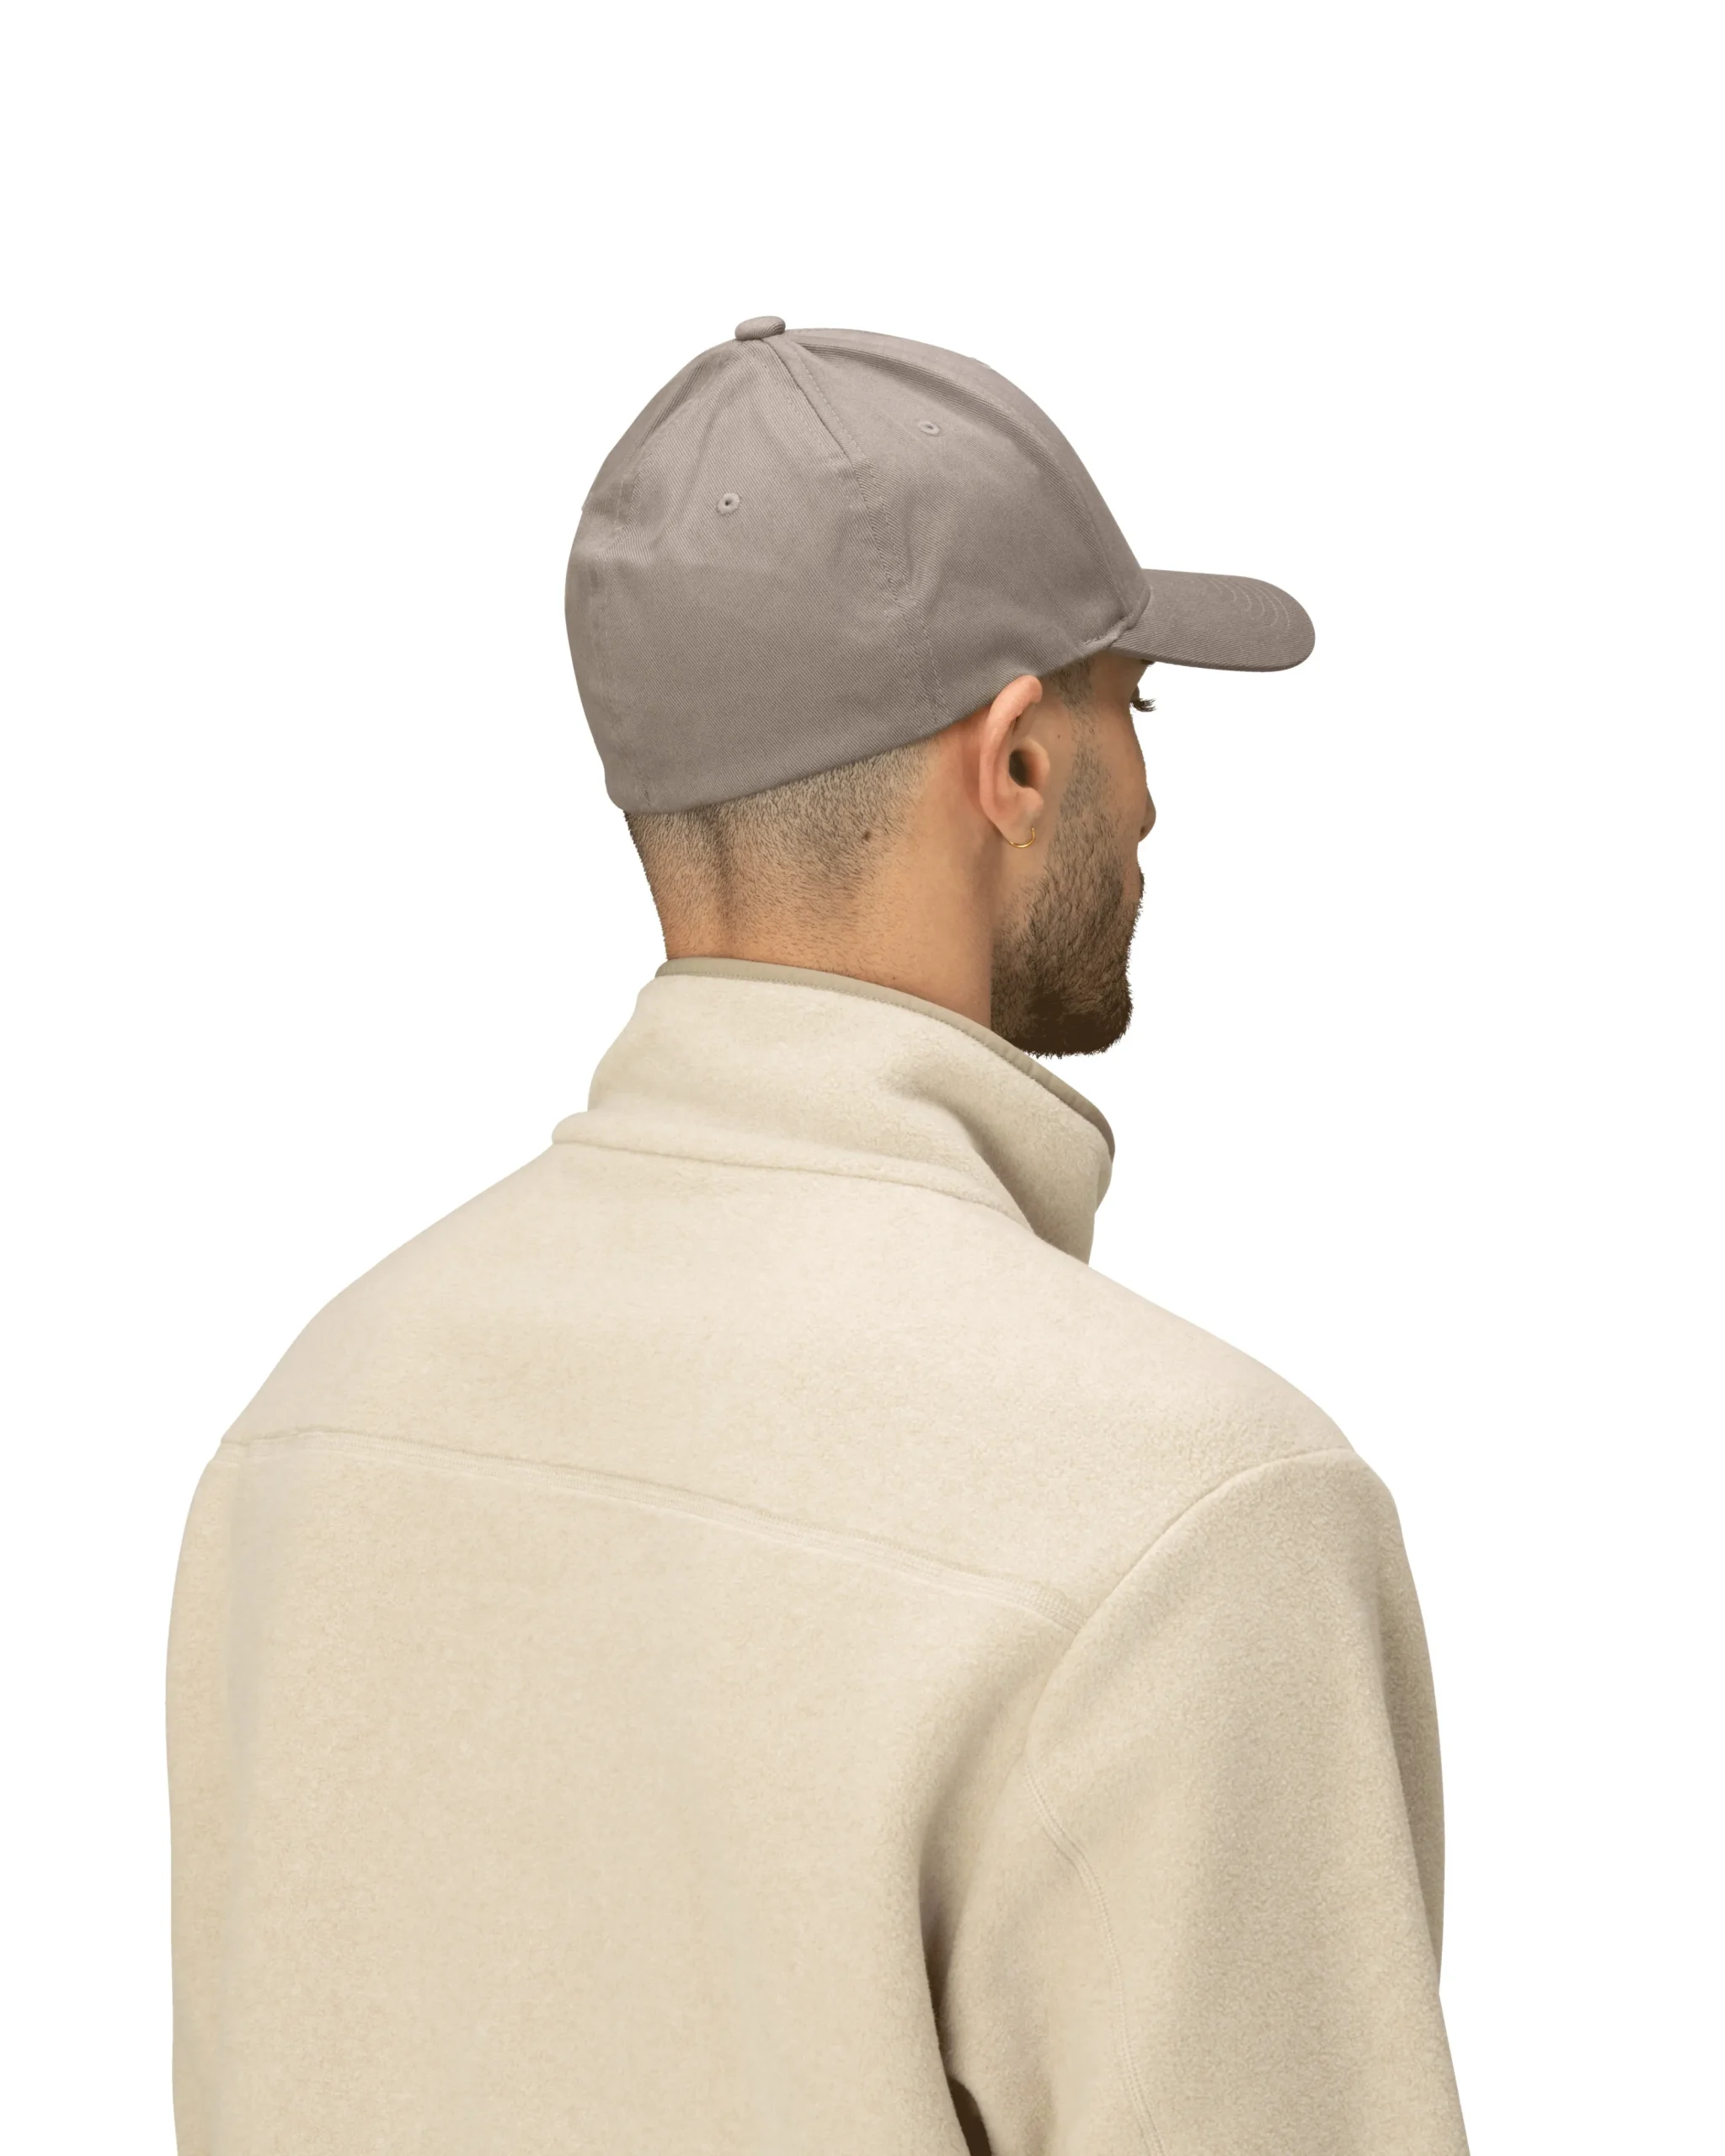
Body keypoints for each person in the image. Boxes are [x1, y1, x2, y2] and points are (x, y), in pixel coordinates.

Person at [167, 317, 1469, 2155]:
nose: (1153, 795)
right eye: (1132, 709)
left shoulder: (309, 1428)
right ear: (1016, 761)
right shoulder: (1191, 1513)